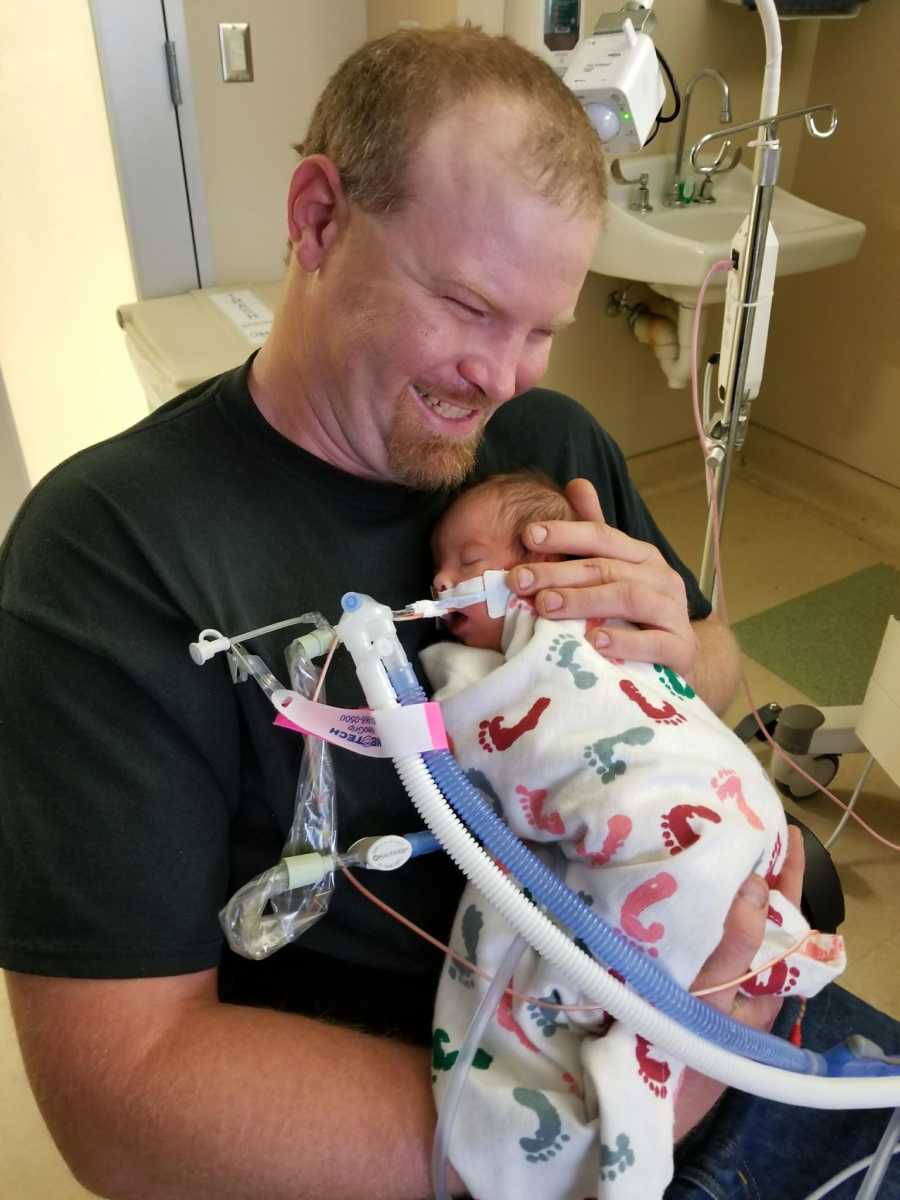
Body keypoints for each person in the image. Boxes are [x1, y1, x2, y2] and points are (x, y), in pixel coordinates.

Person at [0, 25, 896, 1200]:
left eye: (542, 328)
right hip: (477, 1127)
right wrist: (638, 1105)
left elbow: (710, 672)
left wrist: (686, 655)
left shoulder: (549, 445)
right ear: (318, 217)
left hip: (711, 995)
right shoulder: (110, 554)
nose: (506, 375)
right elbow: (126, 1100)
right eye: (472, 307)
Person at [422, 471, 845, 1199]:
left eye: (467, 560)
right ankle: (631, 1099)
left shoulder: (567, 633)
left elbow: (674, 685)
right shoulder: (495, 670)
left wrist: (670, 643)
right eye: (442, 565)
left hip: (717, 845)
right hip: (693, 1020)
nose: (440, 579)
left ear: (547, 570)